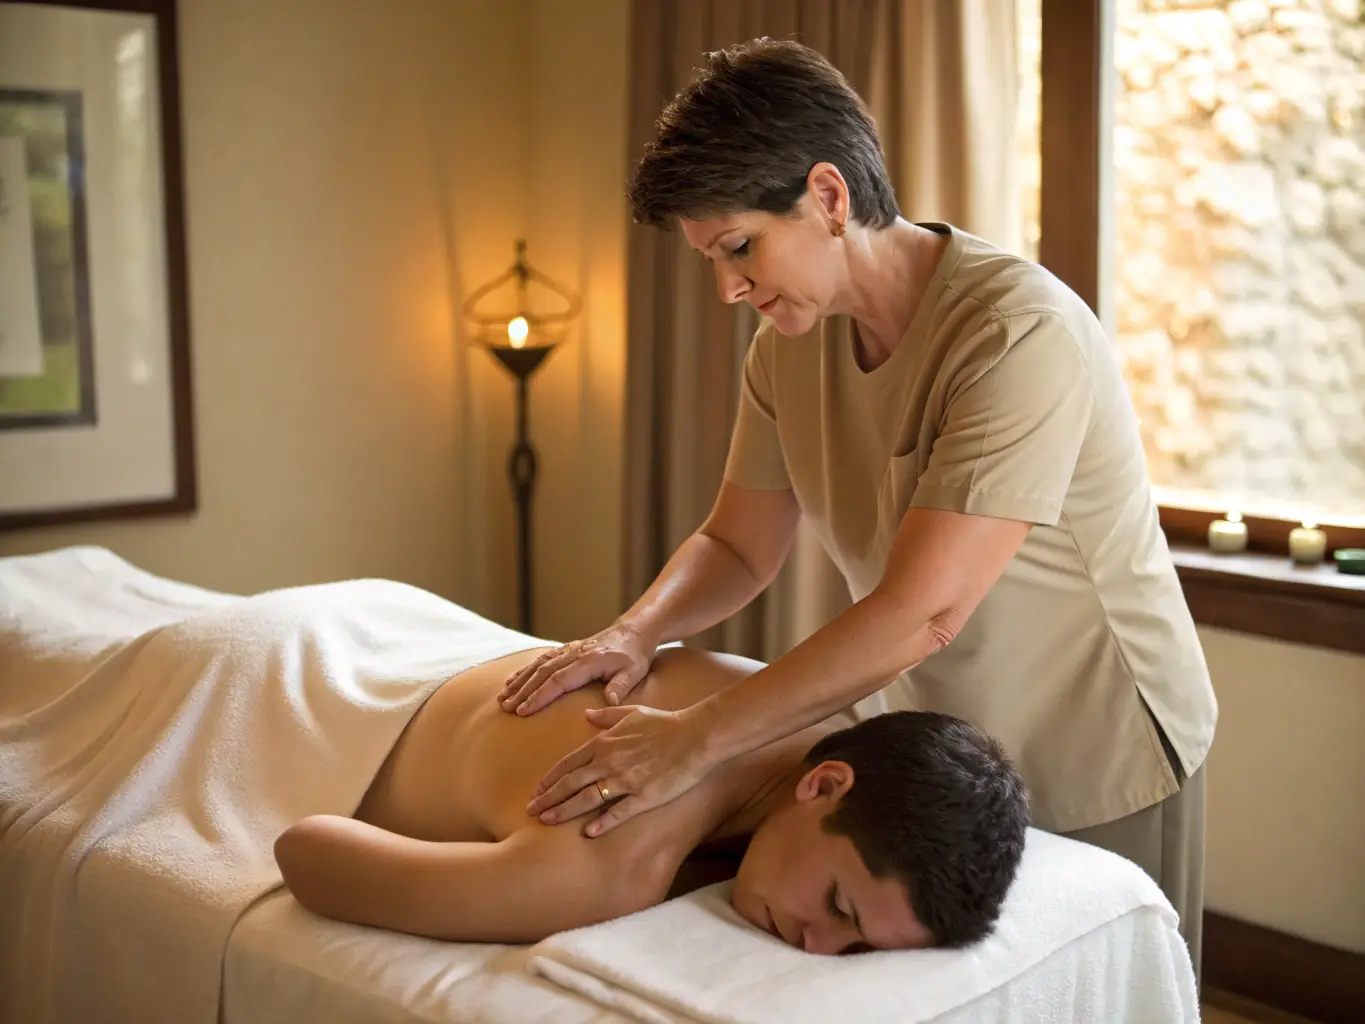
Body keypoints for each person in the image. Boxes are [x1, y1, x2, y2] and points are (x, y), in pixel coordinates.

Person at [498, 38, 1217, 980]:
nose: (727, 289)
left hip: (1096, 734)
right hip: (940, 746)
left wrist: (695, 742)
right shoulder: (786, 350)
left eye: (740, 248)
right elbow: (735, 543)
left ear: (829, 198)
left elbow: (922, 610)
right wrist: (631, 635)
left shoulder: (1014, 334)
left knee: (1088, 989)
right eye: (713, 259)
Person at [275, 643, 1029, 952]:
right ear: (823, 785)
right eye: (838, 906)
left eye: (856, 948)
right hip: (302, 686)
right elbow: (305, 851)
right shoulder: (607, 859)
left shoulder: (808, 718)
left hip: (422, 647)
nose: (817, 947)